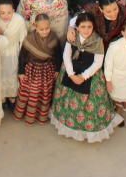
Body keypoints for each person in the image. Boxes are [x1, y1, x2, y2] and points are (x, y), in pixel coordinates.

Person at [50, 11, 121, 142]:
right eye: (83, 27)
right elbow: (66, 55)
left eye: (89, 27)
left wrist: (83, 77)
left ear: (93, 27)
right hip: (71, 69)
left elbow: (98, 62)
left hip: (89, 73)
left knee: (90, 101)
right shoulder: (73, 36)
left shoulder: (97, 40)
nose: (86, 30)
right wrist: (71, 75)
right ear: (77, 27)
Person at [12, 12, 60, 123]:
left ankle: (41, 116)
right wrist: (21, 72)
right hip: (31, 70)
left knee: (44, 93)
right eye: (41, 29)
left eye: (47, 28)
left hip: (47, 70)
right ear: (35, 27)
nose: (44, 31)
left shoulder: (54, 38)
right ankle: (27, 116)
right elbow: (22, 56)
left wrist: (57, 69)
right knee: (31, 93)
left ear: (50, 26)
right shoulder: (29, 39)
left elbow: (58, 55)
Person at [0, 0, 26, 105]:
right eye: (2, 13)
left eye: (9, 12)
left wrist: (22, 57)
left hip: (13, 51)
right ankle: (1, 97)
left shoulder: (19, 20)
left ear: (13, 11)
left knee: (12, 73)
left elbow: (23, 39)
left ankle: (12, 97)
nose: (6, 15)